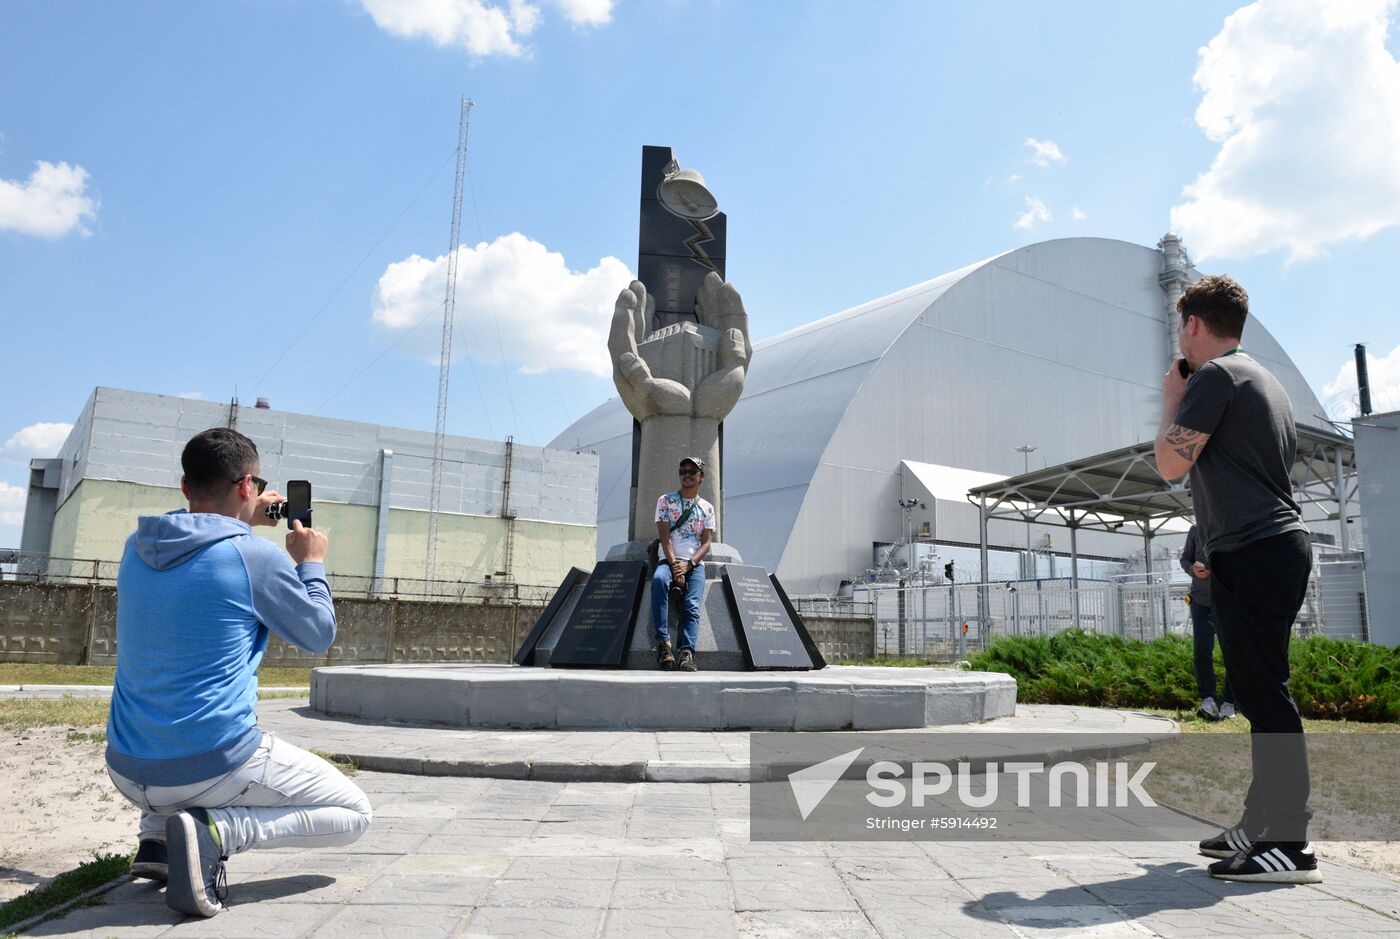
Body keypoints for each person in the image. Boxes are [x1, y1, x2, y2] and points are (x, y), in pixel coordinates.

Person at [105, 428, 372, 917]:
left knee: (170, 678)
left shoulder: (138, 546)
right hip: (209, 767)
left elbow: (201, 537)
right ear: (248, 485)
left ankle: (158, 842)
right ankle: (216, 833)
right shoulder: (255, 556)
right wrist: (310, 564)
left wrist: (242, 516)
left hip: (126, 766)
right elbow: (318, 635)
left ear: (186, 487)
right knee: (354, 813)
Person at [1155, 275, 1317, 883]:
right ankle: (1260, 825)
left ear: (1194, 325)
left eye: (1181, 328)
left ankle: (1290, 844)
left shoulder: (1217, 377)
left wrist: (1173, 396)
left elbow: (1171, 464)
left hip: (1255, 548)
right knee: (1256, 689)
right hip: (1267, 547)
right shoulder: (1263, 379)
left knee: (1265, 694)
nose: (1180, 340)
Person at [652, 456, 715, 671]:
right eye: (683, 471)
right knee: (659, 581)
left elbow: (706, 543)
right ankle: (663, 644)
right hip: (668, 559)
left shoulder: (707, 508)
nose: (686, 475)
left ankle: (687, 653)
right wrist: (674, 566)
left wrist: (689, 564)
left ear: (701, 477)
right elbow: (664, 537)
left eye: (692, 471)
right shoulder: (665, 501)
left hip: (694, 563)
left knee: (692, 605)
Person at [1180, 524, 1235, 721]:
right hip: (1200, 601)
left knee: (1232, 651)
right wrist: (1192, 569)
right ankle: (1208, 699)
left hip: (1228, 601)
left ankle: (1229, 702)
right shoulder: (1196, 530)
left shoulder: (1231, 526)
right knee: (1202, 650)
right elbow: (1185, 558)